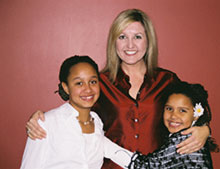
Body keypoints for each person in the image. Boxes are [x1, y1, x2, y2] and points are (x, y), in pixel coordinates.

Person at [25, 9, 210, 169]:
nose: (130, 45)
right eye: (122, 37)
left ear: (148, 41)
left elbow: (194, 109)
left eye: (137, 37)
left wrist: (205, 129)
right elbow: (74, 114)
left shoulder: (167, 80)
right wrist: (40, 120)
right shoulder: (100, 83)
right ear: (114, 42)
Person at [20, 55, 133, 169]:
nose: (88, 89)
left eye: (93, 82)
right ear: (66, 87)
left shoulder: (97, 122)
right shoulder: (46, 123)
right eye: (79, 83)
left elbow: (118, 154)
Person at [128, 81, 219, 169]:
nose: (174, 116)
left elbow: (141, 166)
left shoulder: (183, 139)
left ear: (196, 115)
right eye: (169, 108)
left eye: (182, 110)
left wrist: (113, 146)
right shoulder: (192, 137)